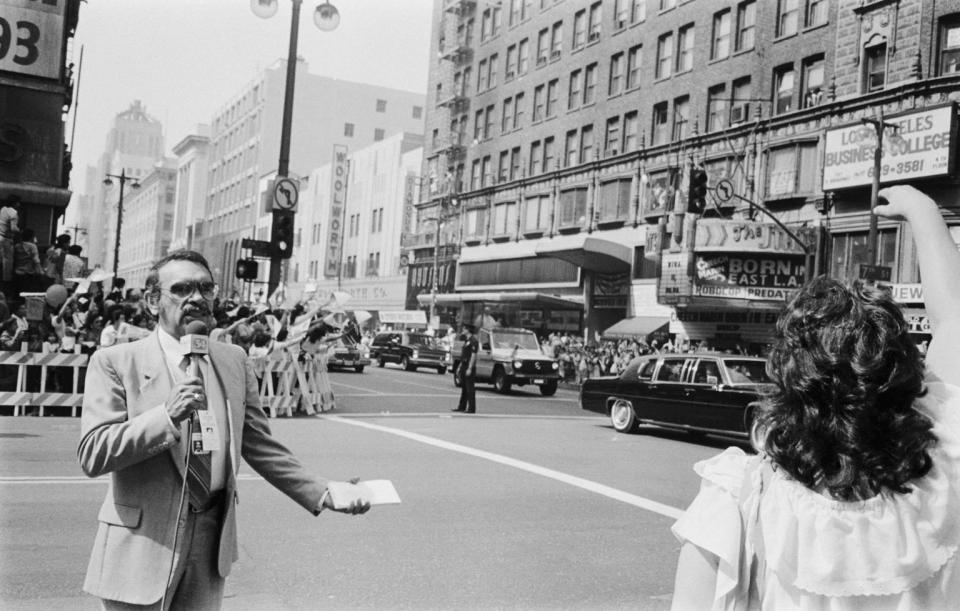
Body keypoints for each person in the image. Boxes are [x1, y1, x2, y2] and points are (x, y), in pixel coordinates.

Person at [670, 185, 960, 610]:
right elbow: (953, 313)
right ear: (903, 379)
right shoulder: (947, 472)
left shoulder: (738, 502)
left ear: (788, 382)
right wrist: (923, 211)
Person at [77, 250, 372, 610]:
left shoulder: (232, 360)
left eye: (205, 288)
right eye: (183, 288)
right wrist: (165, 418)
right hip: (142, 544)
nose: (197, 298)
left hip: (210, 537)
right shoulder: (115, 362)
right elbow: (93, 452)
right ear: (154, 301)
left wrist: (323, 491)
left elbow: (260, 445)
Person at [453, 324, 478, 414]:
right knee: (464, 387)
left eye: (464, 329)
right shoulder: (467, 340)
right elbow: (464, 355)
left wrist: (470, 368)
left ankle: (471, 408)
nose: (463, 330)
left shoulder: (473, 341)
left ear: (468, 330)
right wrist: (459, 367)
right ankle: (462, 406)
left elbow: (473, 355)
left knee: (470, 388)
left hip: (468, 366)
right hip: (464, 365)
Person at [0, 195, 21, 284]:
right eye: (18, 202)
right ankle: (6, 282)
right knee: (7, 261)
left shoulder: (3, 209)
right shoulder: (14, 213)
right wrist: (20, 230)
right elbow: (13, 228)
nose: (19, 204)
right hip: (6, 239)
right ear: (14, 203)